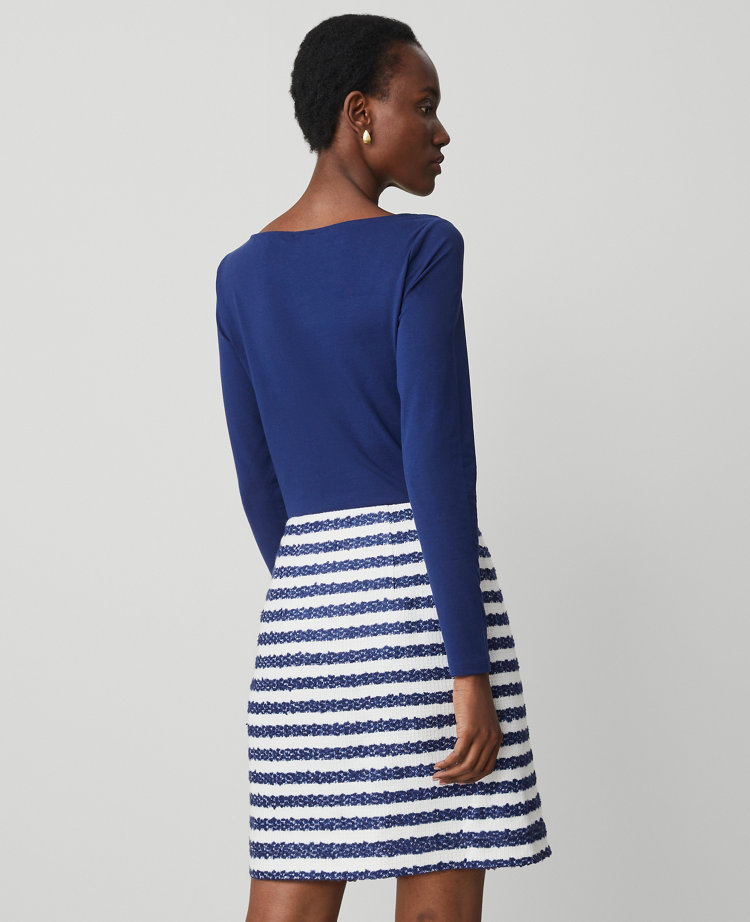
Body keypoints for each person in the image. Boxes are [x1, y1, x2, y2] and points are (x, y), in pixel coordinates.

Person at [215, 13, 551, 922]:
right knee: (439, 898)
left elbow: (259, 480)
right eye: (424, 105)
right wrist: (468, 670)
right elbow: (438, 459)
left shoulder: (240, 275)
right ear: (360, 112)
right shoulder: (421, 248)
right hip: (419, 612)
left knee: (290, 893)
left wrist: (321, 594)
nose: (441, 131)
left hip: (307, 620)